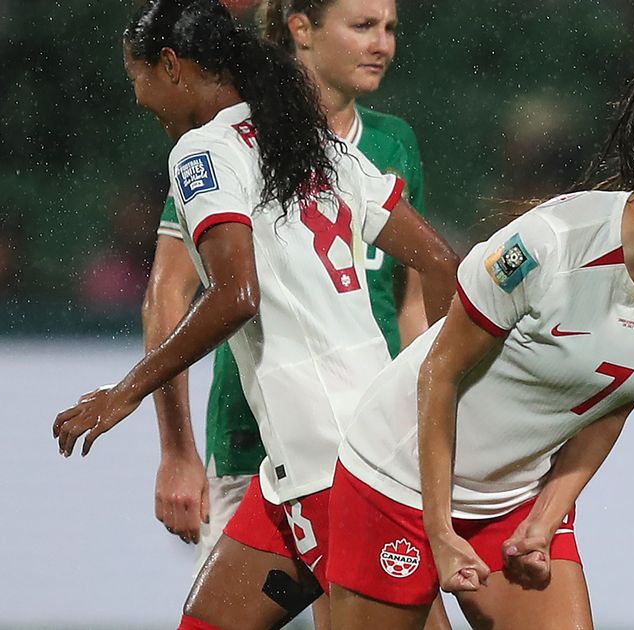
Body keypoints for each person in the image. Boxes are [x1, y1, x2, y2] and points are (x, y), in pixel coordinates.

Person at [51, 2, 457, 630]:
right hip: (313, 459)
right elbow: (436, 260)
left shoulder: (203, 155)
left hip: (336, 465)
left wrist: (126, 390)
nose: (140, 99)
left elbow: (237, 295)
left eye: (139, 79)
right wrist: (432, 396)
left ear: (172, 66)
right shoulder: (312, 142)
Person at [327, 65, 634, 629]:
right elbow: (439, 373)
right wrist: (438, 529)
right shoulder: (547, 245)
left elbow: (613, 402)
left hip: (514, 498)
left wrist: (545, 521)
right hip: (398, 480)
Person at [143, 0, 431, 589]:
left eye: (390, 29)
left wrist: (427, 424)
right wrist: (177, 448)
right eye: (362, 27)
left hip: (367, 437)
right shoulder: (231, 143)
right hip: (252, 435)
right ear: (300, 28)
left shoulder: (395, 143)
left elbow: (411, 304)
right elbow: (168, 297)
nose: (382, 44)